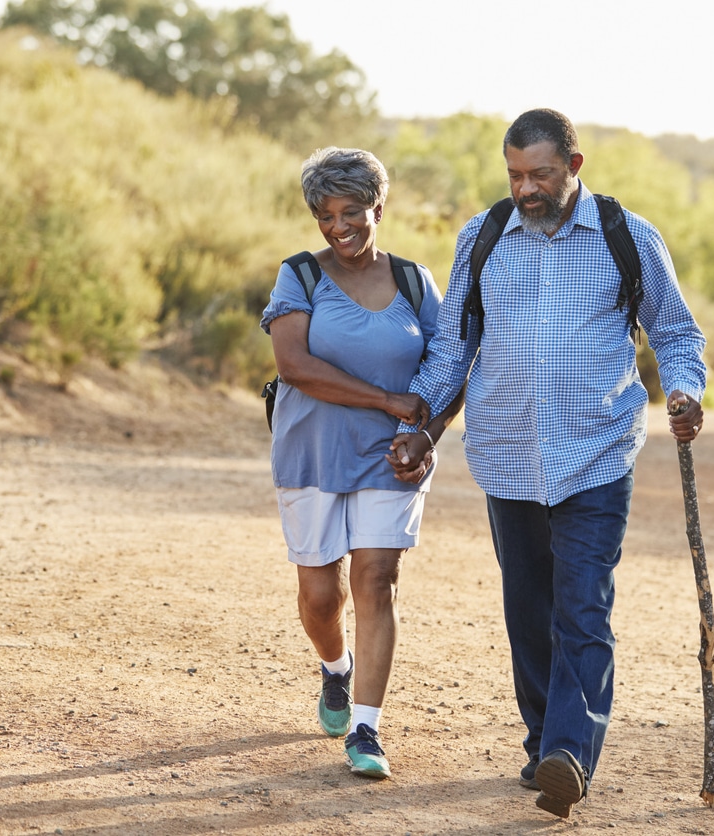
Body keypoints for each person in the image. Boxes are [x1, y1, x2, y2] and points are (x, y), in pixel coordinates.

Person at [389, 109, 707, 818]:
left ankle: (570, 752)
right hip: (506, 452)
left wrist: (685, 389)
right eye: (514, 175)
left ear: (575, 166)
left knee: (583, 603)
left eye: (539, 175)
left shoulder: (627, 237)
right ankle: (544, 744)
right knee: (528, 609)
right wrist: (422, 418)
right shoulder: (485, 235)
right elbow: (454, 345)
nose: (525, 189)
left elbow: (676, 332)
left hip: (596, 450)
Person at [260, 146, 463, 779]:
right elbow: (293, 365)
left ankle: (368, 729)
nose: (338, 226)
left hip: (392, 456)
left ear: (379, 207)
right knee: (322, 595)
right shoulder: (299, 275)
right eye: (324, 214)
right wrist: (385, 399)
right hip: (312, 451)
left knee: (377, 580)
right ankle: (335, 669)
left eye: (352, 211)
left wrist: (424, 433)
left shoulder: (413, 281)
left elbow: (450, 363)